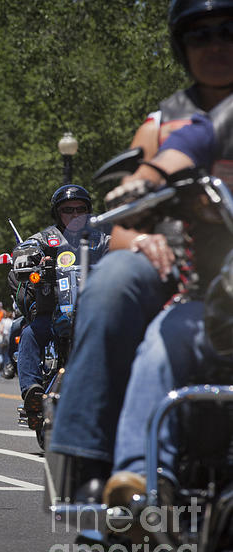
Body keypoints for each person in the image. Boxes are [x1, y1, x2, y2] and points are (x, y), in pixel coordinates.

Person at [48, 0, 233, 501]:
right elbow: (124, 221)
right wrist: (142, 218)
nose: (216, 44)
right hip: (178, 267)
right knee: (111, 284)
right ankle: (85, 466)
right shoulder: (169, 123)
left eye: (227, 31)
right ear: (183, 47)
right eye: (201, 36)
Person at [101, 91, 233, 506]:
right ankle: (140, 480)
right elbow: (180, 151)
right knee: (163, 342)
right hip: (209, 299)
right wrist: (149, 179)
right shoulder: (217, 122)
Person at [12, 185, 110, 424]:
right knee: (30, 334)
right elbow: (21, 250)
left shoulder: (102, 238)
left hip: (96, 314)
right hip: (56, 311)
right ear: (57, 213)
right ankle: (32, 391)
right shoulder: (47, 238)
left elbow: (126, 249)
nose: (75, 215)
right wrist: (31, 257)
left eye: (81, 209)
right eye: (68, 210)